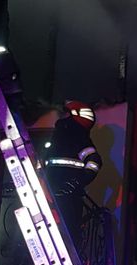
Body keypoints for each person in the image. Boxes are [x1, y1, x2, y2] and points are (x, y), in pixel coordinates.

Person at [43, 100, 102, 246]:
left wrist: (76, 182)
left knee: (68, 232)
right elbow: (46, 160)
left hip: (67, 193)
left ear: (76, 117)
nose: (62, 117)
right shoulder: (60, 137)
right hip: (50, 189)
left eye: (66, 114)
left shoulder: (78, 139)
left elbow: (94, 161)